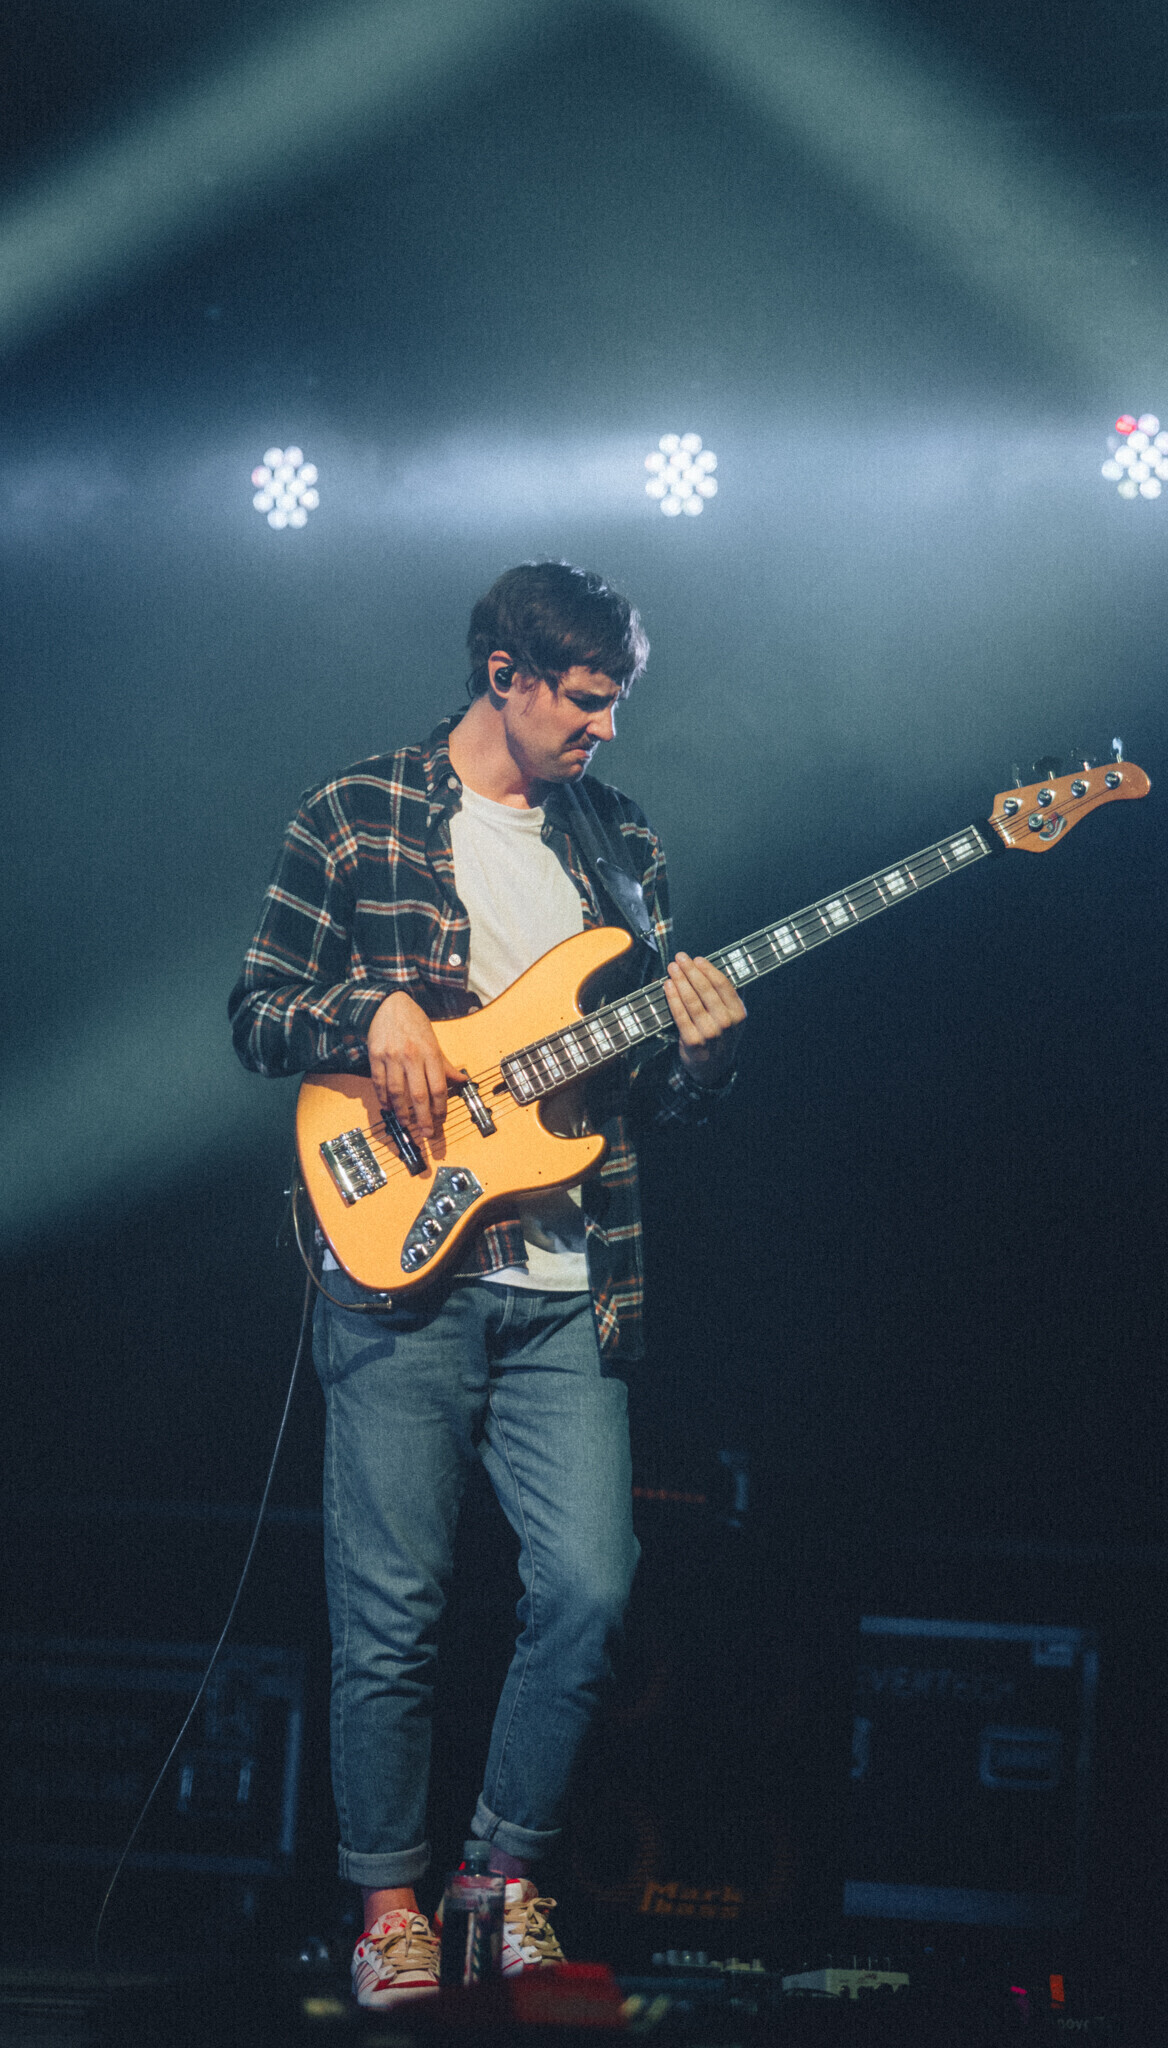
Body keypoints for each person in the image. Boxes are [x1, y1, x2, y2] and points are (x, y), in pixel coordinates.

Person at [229, 562, 745, 2006]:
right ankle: (387, 1906)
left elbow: (647, 1094)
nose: (604, 730)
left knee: (591, 1589)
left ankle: (499, 1880)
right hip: (400, 1265)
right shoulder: (357, 813)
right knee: (390, 1611)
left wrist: (704, 1058)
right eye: (583, 700)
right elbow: (258, 1012)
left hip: (570, 1278)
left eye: (615, 704)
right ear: (505, 675)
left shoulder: (621, 847)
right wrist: (371, 1010)